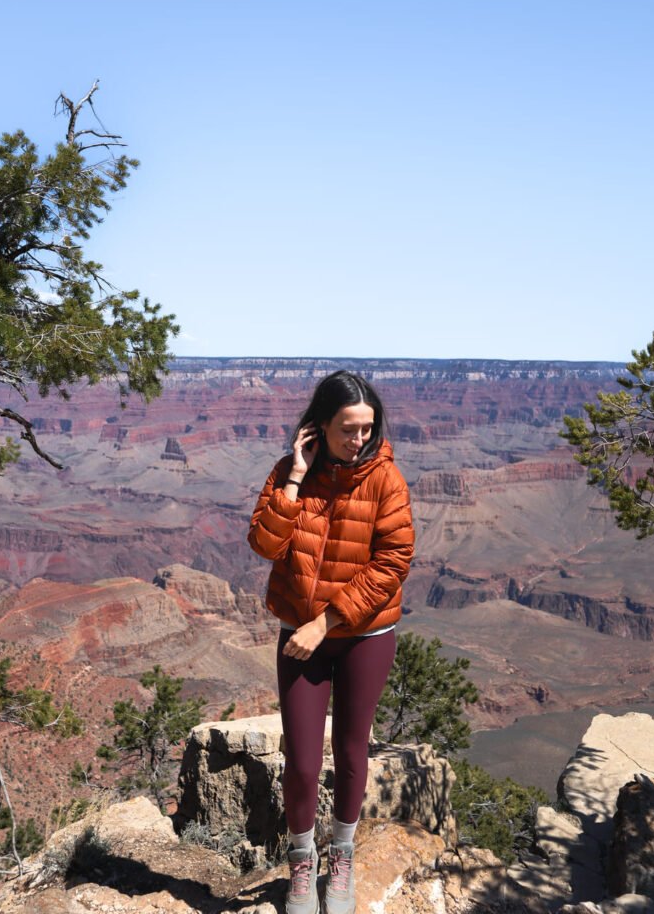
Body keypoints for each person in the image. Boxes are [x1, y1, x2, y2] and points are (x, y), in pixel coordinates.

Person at [248, 370, 415, 914]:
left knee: (349, 750)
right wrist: (295, 479)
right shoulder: (290, 471)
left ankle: (340, 857)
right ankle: (302, 863)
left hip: (365, 634)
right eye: (348, 428)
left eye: (367, 428)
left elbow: (393, 561)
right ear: (319, 426)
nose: (359, 439)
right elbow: (264, 543)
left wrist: (328, 621)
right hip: (301, 634)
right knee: (299, 759)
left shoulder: (386, 480)